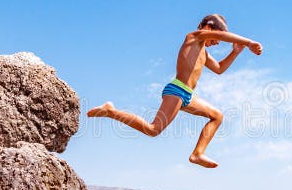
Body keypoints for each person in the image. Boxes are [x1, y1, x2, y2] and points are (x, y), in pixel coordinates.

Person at [87, 14, 263, 168]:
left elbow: (219, 68)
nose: (215, 43)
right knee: (153, 129)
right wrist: (248, 42)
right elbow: (220, 35)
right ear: (208, 27)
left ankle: (197, 154)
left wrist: (236, 52)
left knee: (217, 116)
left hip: (187, 95)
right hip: (177, 89)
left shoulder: (204, 53)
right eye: (215, 40)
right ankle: (111, 111)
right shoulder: (193, 37)